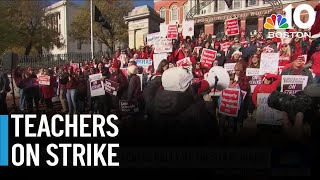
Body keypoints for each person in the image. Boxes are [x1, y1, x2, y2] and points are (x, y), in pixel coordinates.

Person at [146, 66, 228, 145]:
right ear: (183, 87)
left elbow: (184, 90)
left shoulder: (155, 104)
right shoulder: (195, 110)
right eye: (188, 83)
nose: (190, 84)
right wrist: (209, 105)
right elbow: (212, 134)